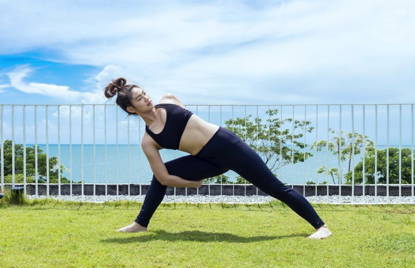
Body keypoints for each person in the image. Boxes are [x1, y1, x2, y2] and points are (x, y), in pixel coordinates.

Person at [104, 78, 332, 239]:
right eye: (140, 99)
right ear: (132, 109)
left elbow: (185, 117)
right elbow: (163, 177)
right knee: (157, 175)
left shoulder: (169, 101)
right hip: (207, 160)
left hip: (228, 145)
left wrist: (194, 127)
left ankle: (321, 227)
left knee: (274, 187)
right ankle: (140, 224)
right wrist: (190, 184)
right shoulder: (149, 141)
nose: (147, 98)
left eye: (144, 93)